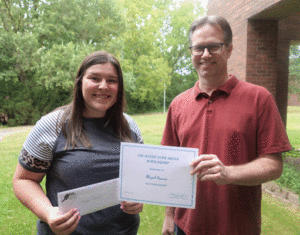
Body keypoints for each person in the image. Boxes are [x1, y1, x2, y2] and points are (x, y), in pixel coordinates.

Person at [161, 15, 291, 235]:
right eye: (198, 48)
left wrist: (228, 173)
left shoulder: (259, 99)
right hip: (186, 227)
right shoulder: (178, 104)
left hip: (238, 228)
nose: (205, 55)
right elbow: (171, 165)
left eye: (213, 47)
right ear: (191, 51)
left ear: (229, 49)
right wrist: (168, 216)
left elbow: (274, 165)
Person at [13, 51, 143, 235]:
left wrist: (138, 197)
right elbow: (24, 180)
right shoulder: (52, 125)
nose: (103, 86)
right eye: (95, 78)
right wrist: (49, 213)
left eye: (112, 80)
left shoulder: (130, 126)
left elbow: (139, 178)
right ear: (80, 82)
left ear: (119, 87)